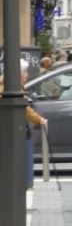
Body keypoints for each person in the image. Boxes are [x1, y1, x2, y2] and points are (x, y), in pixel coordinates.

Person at [0, 59, 48, 189]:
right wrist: (39, 120)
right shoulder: (8, 88)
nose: (27, 75)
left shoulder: (14, 86)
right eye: (25, 72)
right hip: (14, 131)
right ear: (18, 74)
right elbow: (24, 109)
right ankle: (21, 185)